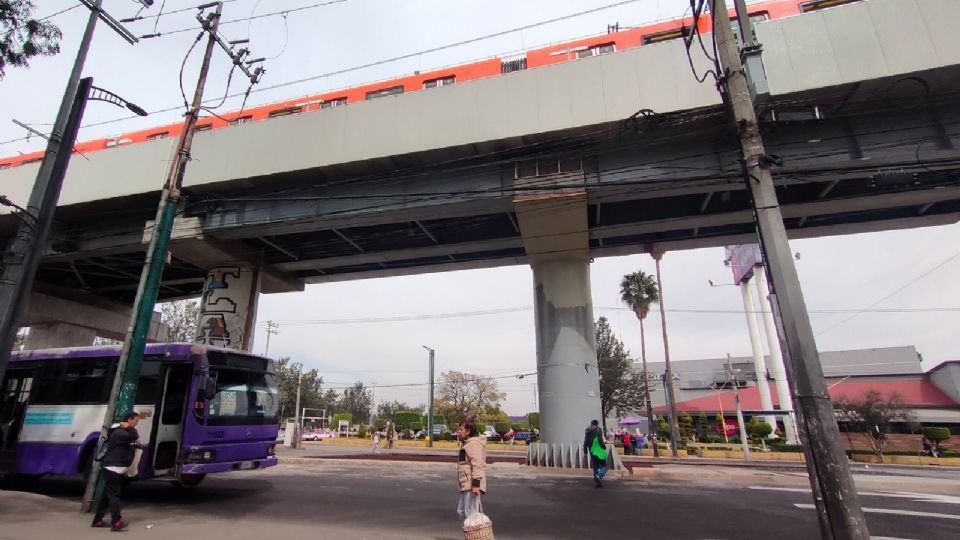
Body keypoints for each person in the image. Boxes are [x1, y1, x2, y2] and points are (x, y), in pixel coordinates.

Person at [92, 411, 141, 531]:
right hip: (113, 467)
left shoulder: (119, 432)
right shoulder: (122, 432)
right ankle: (116, 522)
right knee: (114, 495)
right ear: (129, 420)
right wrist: (128, 427)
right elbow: (134, 435)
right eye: (135, 420)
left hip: (113, 466)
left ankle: (98, 520)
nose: (137, 423)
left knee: (107, 495)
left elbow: (128, 442)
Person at [456, 420, 487, 519]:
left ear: (468, 431)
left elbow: (477, 465)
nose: (459, 432)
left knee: (471, 515)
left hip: (471, 484)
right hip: (466, 484)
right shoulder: (467, 444)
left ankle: (475, 534)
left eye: (461, 429)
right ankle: (471, 533)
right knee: (463, 511)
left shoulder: (473, 444)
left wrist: (476, 484)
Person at [583, 419, 608, 488]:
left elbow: (585, 441)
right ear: (597, 424)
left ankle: (598, 483)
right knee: (604, 466)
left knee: (595, 466)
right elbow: (600, 439)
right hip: (598, 450)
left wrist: (585, 450)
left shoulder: (587, 430)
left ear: (591, 424)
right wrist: (604, 447)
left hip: (592, 451)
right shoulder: (598, 429)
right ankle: (598, 476)